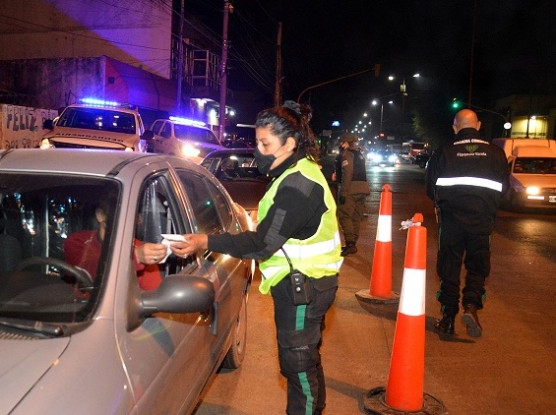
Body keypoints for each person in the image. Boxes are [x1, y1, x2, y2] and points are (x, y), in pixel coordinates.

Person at [171, 101, 343, 415]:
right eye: (257, 143)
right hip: (308, 284)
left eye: (266, 144)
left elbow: (262, 245)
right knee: (305, 360)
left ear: (289, 144)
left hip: (303, 288)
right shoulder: (300, 170)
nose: (259, 151)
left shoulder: (297, 186)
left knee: (298, 365)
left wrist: (204, 240)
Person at [425, 108, 509, 337]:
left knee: (449, 269)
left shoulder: (443, 153)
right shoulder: (496, 154)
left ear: (455, 128)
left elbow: (430, 188)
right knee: (477, 267)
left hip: (451, 222)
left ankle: (448, 320)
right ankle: (471, 306)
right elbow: (506, 191)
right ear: (479, 125)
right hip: (482, 222)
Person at [65, 205, 167, 291]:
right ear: (100, 215)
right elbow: (88, 270)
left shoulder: (142, 250)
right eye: (119, 208)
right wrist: (134, 258)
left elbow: (154, 297)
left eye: (132, 213)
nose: (126, 217)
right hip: (76, 309)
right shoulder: (78, 241)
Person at [335, 133, 370, 256]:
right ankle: (353, 243)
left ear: (347, 142)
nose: (340, 144)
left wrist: (343, 192)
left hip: (351, 189)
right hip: (363, 189)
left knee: (344, 216)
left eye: (342, 142)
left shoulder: (347, 154)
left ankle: (350, 244)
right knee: (356, 217)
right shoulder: (359, 154)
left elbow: (347, 174)